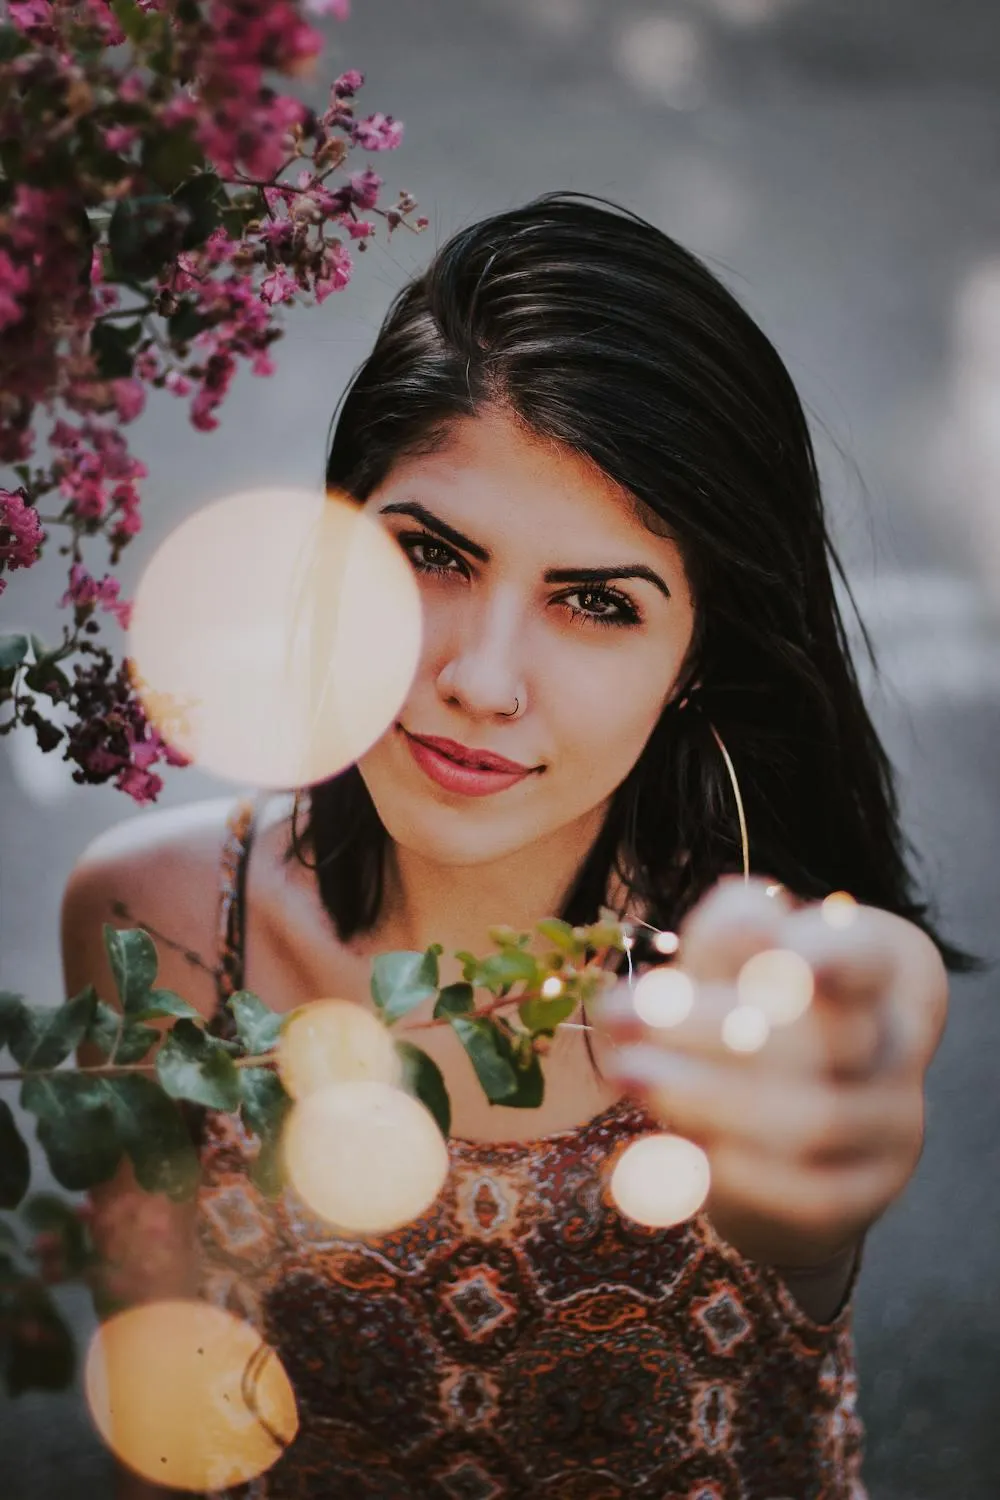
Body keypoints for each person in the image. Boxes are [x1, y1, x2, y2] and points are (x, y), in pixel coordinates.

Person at [62, 193, 962, 1499]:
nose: (482, 679)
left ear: (697, 651)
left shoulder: (773, 987)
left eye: (596, 602)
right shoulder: (161, 924)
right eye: (431, 552)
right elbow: (165, 1419)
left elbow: (838, 1108)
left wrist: (821, 1171)